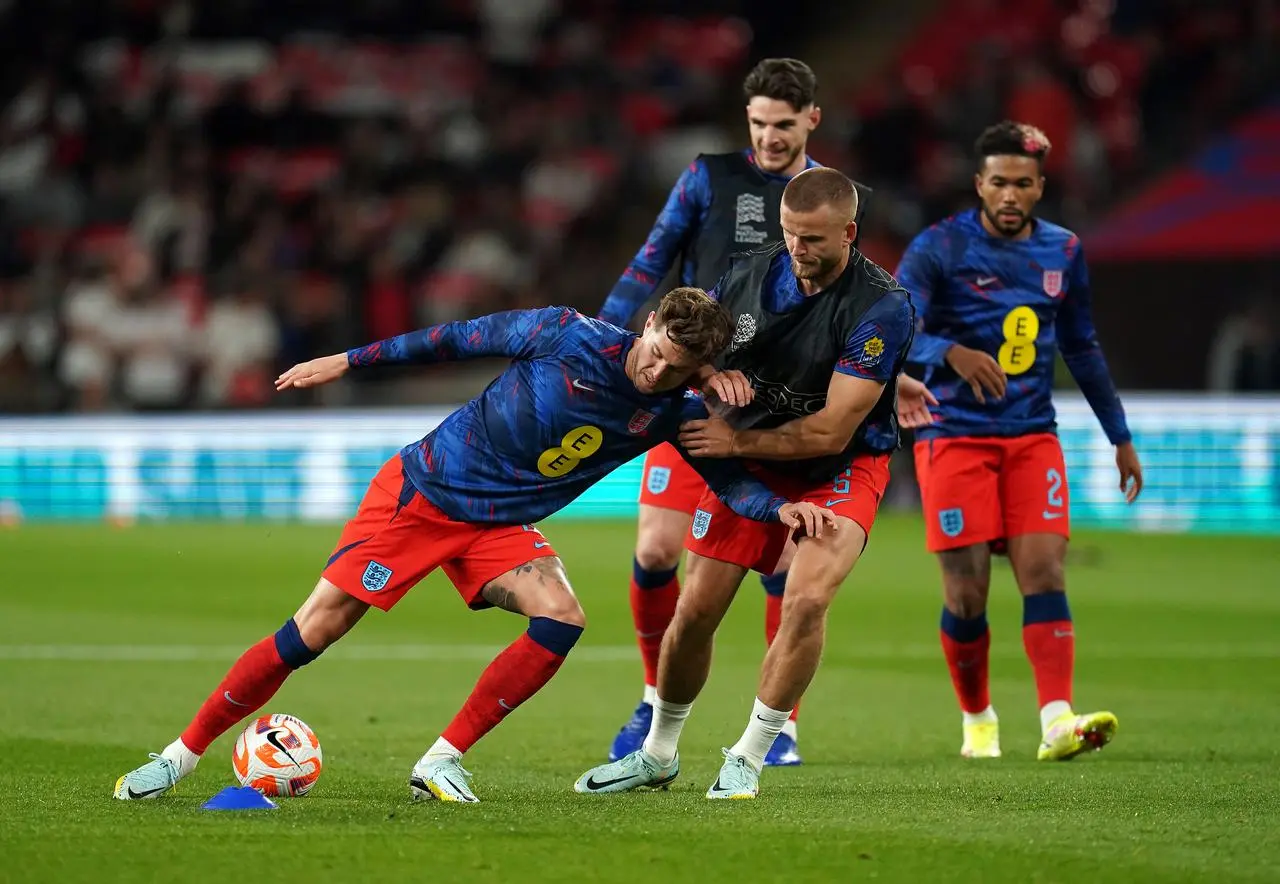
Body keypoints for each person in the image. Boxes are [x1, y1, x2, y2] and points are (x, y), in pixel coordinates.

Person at [112, 288, 838, 804]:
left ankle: (441, 760)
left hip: (497, 526)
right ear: (647, 326)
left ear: (697, 371)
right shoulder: (562, 333)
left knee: (562, 615)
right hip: (423, 494)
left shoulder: (671, 412)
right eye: (655, 354)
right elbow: (449, 340)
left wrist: (784, 508)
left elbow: (729, 479)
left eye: (677, 369)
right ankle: (178, 758)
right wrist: (349, 361)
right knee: (316, 628)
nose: (657, 372)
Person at [574, 166, 917, 799]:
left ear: (849, 231)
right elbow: (698, 353)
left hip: (840, 466)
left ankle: (751, 754)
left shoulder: (882, 306)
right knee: (696, 610)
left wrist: (735, 441)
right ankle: (658, 754)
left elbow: (833, 431)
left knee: (807, 598)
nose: (798, 249)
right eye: (789, 234)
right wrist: (710, 376)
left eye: (813, 239)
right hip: (755, 459)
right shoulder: (751, 275)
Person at [597, 57, 871, 767]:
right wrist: (598, 345)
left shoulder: (831, 202)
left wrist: (892, 375)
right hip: (696, 391)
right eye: (757, 123)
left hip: (780, 407)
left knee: (784, 564)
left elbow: (857, 312)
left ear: (812, 119)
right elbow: (648, 262)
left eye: (783, 124)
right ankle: (655, 699)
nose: (770, 139)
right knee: (657, 553)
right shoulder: (707, 178)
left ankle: (780, 725)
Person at [895, 121, 1144, 761]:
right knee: (968, 592)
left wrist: (1119, 435)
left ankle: (1057, 719)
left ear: (1039, 187)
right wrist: (950, 352)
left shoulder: (1063, 251)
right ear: (979, 184)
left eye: (1023, 184)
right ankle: (978, 717)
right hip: (951, 435)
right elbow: (892, 329)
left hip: (1033, 436)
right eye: (999, 182)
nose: (1010, 195)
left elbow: (1082, 345)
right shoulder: (939, 247)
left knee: (1044, 570)